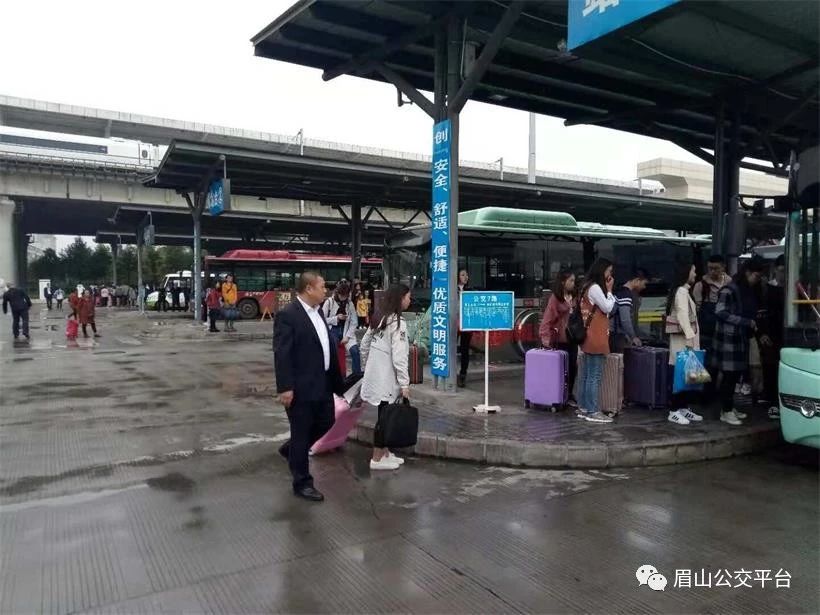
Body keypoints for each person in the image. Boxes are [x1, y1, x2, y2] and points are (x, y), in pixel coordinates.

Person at [274, 271, 344, 502]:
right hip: (301, 386)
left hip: (323, 382)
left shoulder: (318, 311)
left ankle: (292, 449)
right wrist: (285, 387)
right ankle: (302, 483)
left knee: (327, 422)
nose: (326, 291)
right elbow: (282, 353)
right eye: (322, 286)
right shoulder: (288, 315)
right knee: (302, 431)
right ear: (309, 289)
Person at [360, 283, 412, 471]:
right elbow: (399, 356)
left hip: (376, 377)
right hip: (387, 379)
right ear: (400, 299)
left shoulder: (380, 318)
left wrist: (368, 367)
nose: (410, 300)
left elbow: (364, 344)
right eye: (408, 297)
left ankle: (386, 453)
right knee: (384, 419)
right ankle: (377, 458)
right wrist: (405, 383)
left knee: (384, 414)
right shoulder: (398, 323)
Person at [713, 258, 765, 426]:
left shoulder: (745, 290)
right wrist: (745, 321)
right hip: (729, 339)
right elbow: (720, 312)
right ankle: (726, 410)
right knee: (729, 376)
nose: (757, 280)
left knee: (735, 375)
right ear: (748, 272)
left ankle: (729, 407)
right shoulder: (729, 290)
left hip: (740, 338)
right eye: (756, 276)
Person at [576, 258, 617, 423]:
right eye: (609, 271)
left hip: (588, 336)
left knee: (586, 375)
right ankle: (592, 411)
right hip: (596, 336)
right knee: (594, 375)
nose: (610, 275)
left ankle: (583, 407)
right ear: (602, 270)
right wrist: (610, 291)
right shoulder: (595, 288)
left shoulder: (585, 286)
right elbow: (607, 307)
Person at [665, 263, 704, 425]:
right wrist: (690, 339)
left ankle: (682, 407)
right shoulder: (681, 292)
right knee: (680, 376)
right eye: (693, 271)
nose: (695, 274)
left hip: (685, 341)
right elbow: (682, 315)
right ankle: (674, 410)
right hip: (684, 343)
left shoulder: (683, 291)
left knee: (686, 376)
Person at [539, 269, 578, 405]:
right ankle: (559, 394)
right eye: (571, 280)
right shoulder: (555, 299)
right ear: (563, 282)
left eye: (574, 281)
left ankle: (569, 394)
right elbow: (547, 319)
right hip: (560, 339)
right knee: (561, 368)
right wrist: (545, 337)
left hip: (574, 337)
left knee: (572, 367)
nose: (573, 283)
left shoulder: (575, 297)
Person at [692, 255, 732, 388]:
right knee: (708, 364)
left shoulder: (731, 283)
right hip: (707, 332)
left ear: (723, 267)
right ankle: (706, 393)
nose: (712, 271)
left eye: (716, 268)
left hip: (726, 332)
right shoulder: (700, 285)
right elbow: (696, 309)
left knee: (725, 365)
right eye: (710, 268)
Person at [757, 255, 786, 419]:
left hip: (786, 334)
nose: (783, 275)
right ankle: (772, 400)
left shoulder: (794, 288)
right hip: (770, 333)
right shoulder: (766, 289)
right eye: (781, 271)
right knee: (771, 367)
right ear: (775, 270)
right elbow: (760, 313)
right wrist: (762, 332)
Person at [323, 281, 361, 375]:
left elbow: (354, 321)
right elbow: (322, 319)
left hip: (346, 331)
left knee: (355, 351)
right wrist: (336, 318)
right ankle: (336, 376)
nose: (343, 298)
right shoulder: (329, 302)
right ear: (338, 293)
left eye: (345, 296)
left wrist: (347, 336)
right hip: (333, 331)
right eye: (342, 295)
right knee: (334, 353)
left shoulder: (349, 303)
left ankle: (356, 376)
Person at [610, 269, 648, 353]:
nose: (644, 287)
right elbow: (625, 319)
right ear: (637, 280)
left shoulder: (619, 291)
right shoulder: (625, 294)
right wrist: (633, 336)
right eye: (644, 283)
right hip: (617, 336)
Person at [457, 269, 472, 388]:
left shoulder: (470, 290)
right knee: (451, 348)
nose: (465, 277)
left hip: (466, 323)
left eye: (466, 275)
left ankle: (463, 375)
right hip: (453, 322)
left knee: (465, 349)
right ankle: (450, 373)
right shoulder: (451, 289)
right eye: (462, 275)